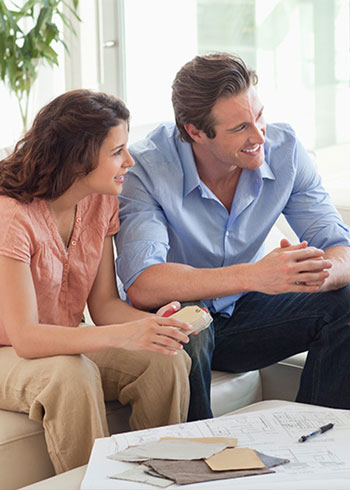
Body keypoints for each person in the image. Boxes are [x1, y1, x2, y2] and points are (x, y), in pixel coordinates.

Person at [115, 52, 350, 421]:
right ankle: (202, 462)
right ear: (195, 131)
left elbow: (342, 247)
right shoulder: (145, 169)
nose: (259, 136)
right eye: (240, 128)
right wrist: (255, 275)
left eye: (258, 117)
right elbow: (143, 283)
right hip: (180, 317)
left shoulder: (285, 150)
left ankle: (316, 441)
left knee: (347, 299)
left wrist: (316, 273)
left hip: (246, 315)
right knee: (188, 328)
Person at [0, 89, 193, 474]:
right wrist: (121, 336)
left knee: (164, 358)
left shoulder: (100, 201)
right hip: (11, 351)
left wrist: (149, 327)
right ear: (78, 159)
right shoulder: (12, 217)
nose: (129, 161)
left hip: (61, 341)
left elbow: (103, 305)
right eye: (117, 151)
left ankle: (161, 478)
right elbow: (25, 337)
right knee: (72, 374)